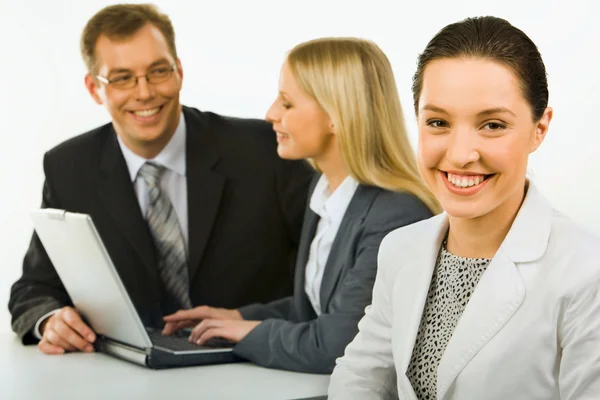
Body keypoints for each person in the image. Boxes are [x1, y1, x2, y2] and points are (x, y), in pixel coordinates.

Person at [8, 3, 313, 355]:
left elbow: (329, 277)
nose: (145, 92)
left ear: (179, 71)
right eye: (122, 78)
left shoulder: (263, 150)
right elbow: (33, 288)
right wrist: (51, 319)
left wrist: (252, 319)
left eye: (158, 71)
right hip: (130, 377)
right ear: (94, 89)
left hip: (258, 363)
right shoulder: (70, 167)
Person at [328, 16, 600, 399]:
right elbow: (360, 376)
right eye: (438, 122)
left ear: (540, 128)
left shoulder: (586, 273)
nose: (459, 154)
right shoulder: (400, 249)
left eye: (492, 125)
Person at [162, 37, 440, 374]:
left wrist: (247, 334)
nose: (270, 115)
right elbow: (313, 310)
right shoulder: (324, 191)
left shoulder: (395, 215)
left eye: (287, 104)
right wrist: (236, 318)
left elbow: (336, 344)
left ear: (336, 116)